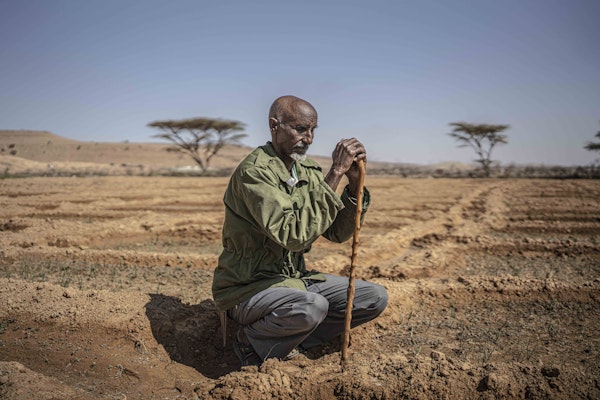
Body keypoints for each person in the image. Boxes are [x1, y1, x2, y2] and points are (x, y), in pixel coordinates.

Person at [211, 95, 388, 366]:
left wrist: (352, 187)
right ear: (274, 126)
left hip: (294, 279)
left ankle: (291, 339)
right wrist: (335, 172)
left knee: (373, 298)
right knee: (311, 306)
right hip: (248, 286)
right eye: (301, 129)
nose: (309, 138)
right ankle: (250, 340)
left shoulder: (307, 170)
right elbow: (294, 236)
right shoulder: (255, 173)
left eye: (313, 130)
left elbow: (337, 233)